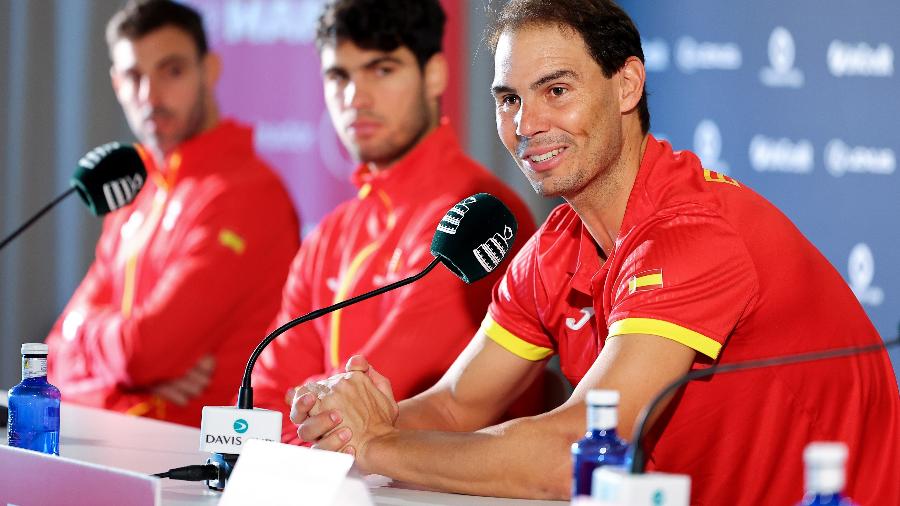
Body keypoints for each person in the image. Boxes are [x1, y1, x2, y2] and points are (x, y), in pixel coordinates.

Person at [289, 0, 900, 503]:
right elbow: (455, 406)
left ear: (627, 84)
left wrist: (378, 444)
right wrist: (347, 423)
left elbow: (569, 455)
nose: (527, 124)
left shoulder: (693, 232)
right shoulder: (553, 248)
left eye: (556, 90)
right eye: (509, 99)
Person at [250, 0, 539, 443]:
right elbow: (263, 400)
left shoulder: (475, 215)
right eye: (339, 76)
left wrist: (299, 434)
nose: (355, 98)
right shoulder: (331, 233)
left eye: (382, 70)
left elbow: (377, 406)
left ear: (435, 75)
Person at [44, 0, 300, 427]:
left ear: (210, 70)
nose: (151, 95)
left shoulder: (247, 193)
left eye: (172, 71)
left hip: (206, 468)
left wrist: (105, 350)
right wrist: (124, 377)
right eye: (134, 76)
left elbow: (145, 353)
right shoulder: (136, 193)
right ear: (116, 84)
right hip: (120, 444)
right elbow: (54, 352)